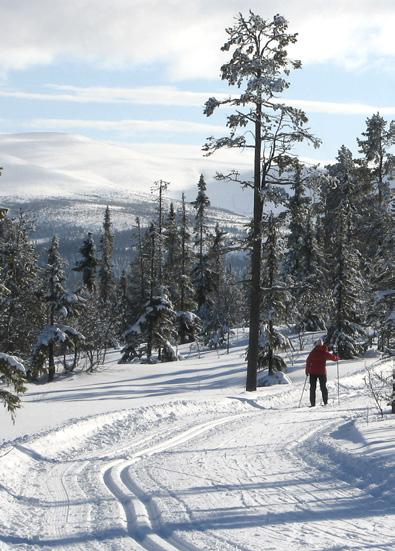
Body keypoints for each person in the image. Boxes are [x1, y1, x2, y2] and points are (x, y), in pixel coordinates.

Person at [305, 339, 340, 407]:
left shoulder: (313, 352)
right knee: (323, 387)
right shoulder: (324, 352)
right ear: (322, 344)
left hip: (313, 372)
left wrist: (307, 371)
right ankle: (325, 402)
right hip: (322, 372)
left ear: (316, 345)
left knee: (312, 388)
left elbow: (308, 361)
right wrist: (337, 358)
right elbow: (333, 357)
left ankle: (312, 403)